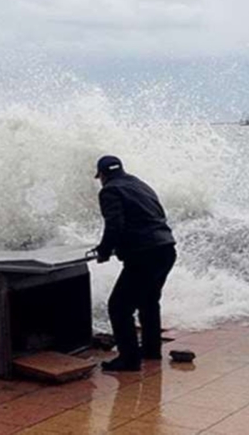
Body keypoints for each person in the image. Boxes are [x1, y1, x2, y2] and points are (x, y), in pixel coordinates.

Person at [91, 155, 177, 372]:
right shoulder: (139, 184)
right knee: (149, 301)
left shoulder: (110, 190)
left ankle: (129, 360)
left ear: (102, 175)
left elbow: (115, 225)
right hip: (166, 249)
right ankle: (151, 350)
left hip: (145, 255)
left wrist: (104, 251)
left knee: (119, 307)